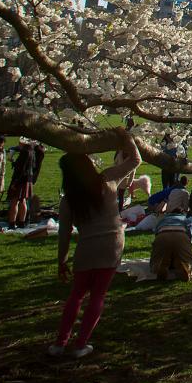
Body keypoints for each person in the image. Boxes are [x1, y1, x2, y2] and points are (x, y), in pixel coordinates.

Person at [51, 126, 140, 358]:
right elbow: (135, 160)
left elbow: (64, 233)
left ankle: (60, 342)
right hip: (112, 244)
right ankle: (81, 344)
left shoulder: (70, 199)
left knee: (77, 294)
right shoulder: (107, 180)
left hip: (86, 248)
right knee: (98, 295)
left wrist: (62, 260)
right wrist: (126, 137)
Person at [6, 138, 45, 227]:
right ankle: (22, 222)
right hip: (28, 178)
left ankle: (12, 223)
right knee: (23, 200)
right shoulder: (32, 151)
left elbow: (21, 169)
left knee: (14, 201)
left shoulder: (25, 152)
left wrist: (15, 183)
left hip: (21, 179)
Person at [149, 210, 192, 281]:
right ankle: (184, 264)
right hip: (181, 235)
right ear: (182, 213)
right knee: (189, 260)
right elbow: (190, 237)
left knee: (155, 261)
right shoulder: (186, 219)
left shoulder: (162, 220)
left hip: (162, 235)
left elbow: (156, 233)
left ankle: (159, 265)